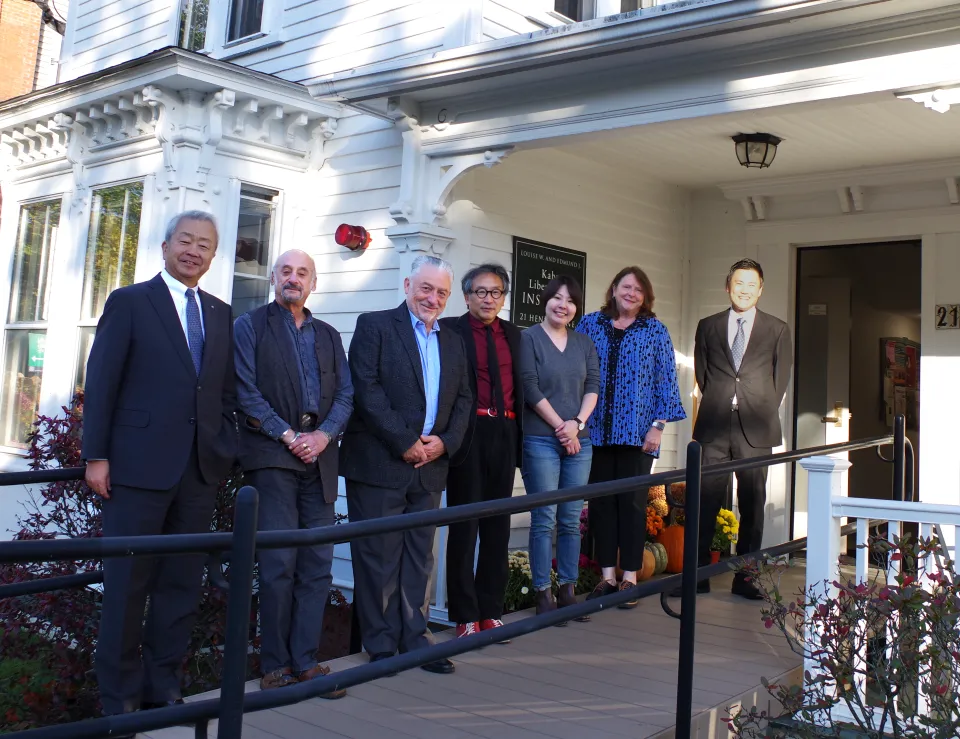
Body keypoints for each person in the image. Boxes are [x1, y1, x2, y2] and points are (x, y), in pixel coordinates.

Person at [82, 211, 238, 729]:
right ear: (167, 245)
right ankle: (119, 698)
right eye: (186, 241)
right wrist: (96, 455)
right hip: (136, 469)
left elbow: (222, 393)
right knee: (126, 587)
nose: (194, 251)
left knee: (181, 584)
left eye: (205, 245)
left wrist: (224, 449)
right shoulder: (129, 302)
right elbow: (103, 380)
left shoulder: (219, 312)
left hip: (197, 472)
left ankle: (162, 685)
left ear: (214, 256)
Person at [341, 255, 473, 675]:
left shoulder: (452, 339)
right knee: (378, 557)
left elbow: (465, 399)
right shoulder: (375, 325)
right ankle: (380, 647)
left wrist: (444, 442)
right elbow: (367, 388)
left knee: (420, 557)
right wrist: (405, 441)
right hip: (380, 463)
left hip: (431, 466)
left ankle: (416, 640)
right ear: (406, 285)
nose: (432, 298)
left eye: (441, 292)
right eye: (425, 288)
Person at [234, 249, 353, 696]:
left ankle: (307, 662)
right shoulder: (250, 327)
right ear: (272, 278)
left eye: (302, 273)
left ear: (313, 284)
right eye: (286, 271)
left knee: (317, 564)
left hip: (320, 459)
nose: (293, 278)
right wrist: (286, 435)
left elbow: (346, 393)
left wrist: (323, 437)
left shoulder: (327, 334)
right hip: (272, 459)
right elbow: (243, 390)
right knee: (279, 563)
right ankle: (275, 666)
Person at [575, 267, 686, 608]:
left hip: (639, 434)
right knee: (602, 504)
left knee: (633, 504)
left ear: (645, 296)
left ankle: (630, 578)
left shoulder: (655, 330)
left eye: (638, 289)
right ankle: (607, 576)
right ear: (613, 289)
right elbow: (575, 369)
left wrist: (658, 425)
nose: (631, 293)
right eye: (626, 286)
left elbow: (666, 381)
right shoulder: (590, 324)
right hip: (597, 431)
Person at [690, 258, 792, 600]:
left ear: (760, 290)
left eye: (752, 285)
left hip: (756, 429)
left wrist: (754, 406)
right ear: (727, 286)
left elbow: (779, 382)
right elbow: (704, 374)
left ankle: (745, 578)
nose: (745, 290)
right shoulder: (708, 325)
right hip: (714, 425)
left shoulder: (777, 329)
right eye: (739, 283)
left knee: (752, 504)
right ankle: (698, 576)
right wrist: (725, 399)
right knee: (704, 501)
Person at [440, 264, 523, 641]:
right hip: (467, 432)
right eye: (481, 292)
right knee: (465, 525)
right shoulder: (450, 331)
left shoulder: (514, 335)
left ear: (504, 298)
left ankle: (491, 610)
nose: (489, 299)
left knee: (497, 525)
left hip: (505, 431)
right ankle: (464, 614)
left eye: (496, 292)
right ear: (467, 295)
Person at [519, 276, 599, 621]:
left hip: (579, 440)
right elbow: (529, 386)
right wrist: (560, 427)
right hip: (540, 439)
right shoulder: (528, 338)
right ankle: (542, 592)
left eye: (570, 300)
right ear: (545, 300)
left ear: (576, 308)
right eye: (556, 298)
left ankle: (567, 589)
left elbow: (593, 385)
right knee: (544, 518)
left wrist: (576, 425)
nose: (562, 305)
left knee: (569, 519)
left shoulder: (584, 343)